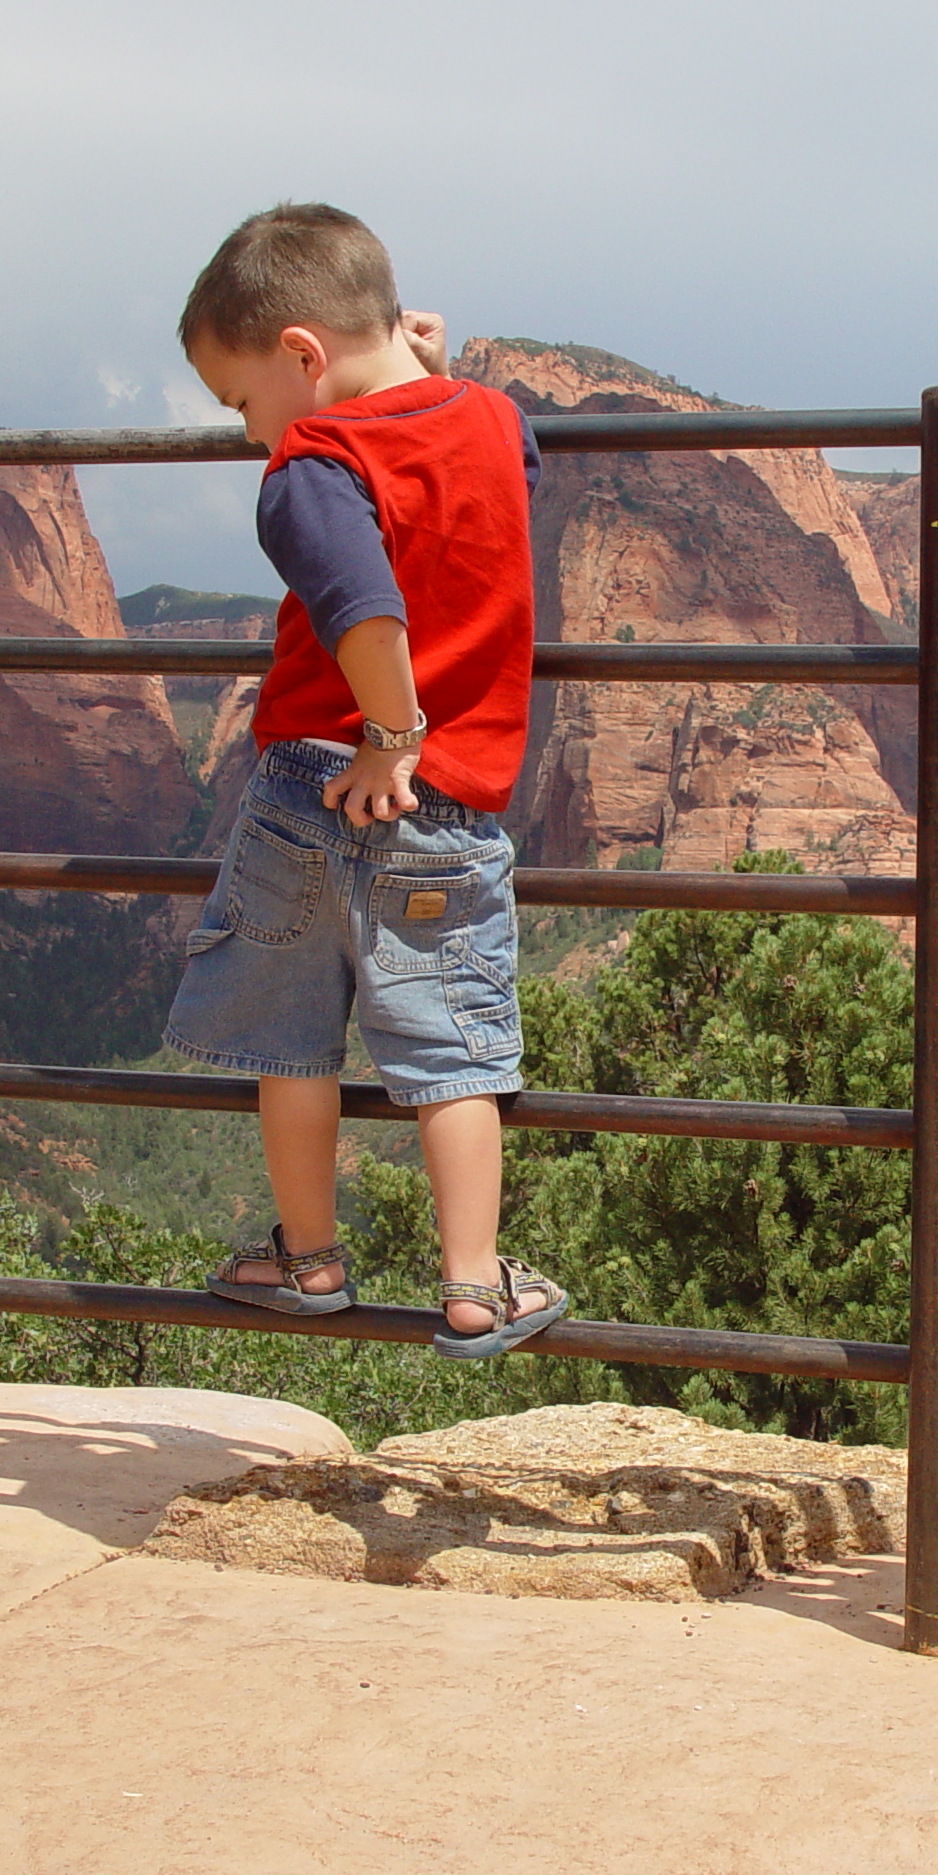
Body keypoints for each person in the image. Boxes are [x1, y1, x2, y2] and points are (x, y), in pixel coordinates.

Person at [164, 202, 567, 1359]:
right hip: (445, 811)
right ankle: (474, 1282)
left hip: (315, 786)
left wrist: (391, 732)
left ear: (301, 354)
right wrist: (433, 376)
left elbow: (364, 607)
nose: (251, 432)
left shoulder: (313, 462)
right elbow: (507, 461)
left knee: (294, 1044)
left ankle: (309, 1258)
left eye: (243, 400)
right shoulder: (491, 419)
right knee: (453, 1056)